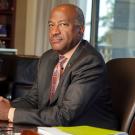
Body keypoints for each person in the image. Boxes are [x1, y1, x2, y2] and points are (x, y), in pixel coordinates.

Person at [0, 4, 119, 130]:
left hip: (91, 131)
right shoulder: (48, 58)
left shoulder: (89, 62)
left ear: (81, 30)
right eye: (51, 25)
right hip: (56, 130)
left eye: (63, 24)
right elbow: (33, 100)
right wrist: (7, 106)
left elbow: (65, 115)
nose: (55, 31)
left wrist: (9, 113)